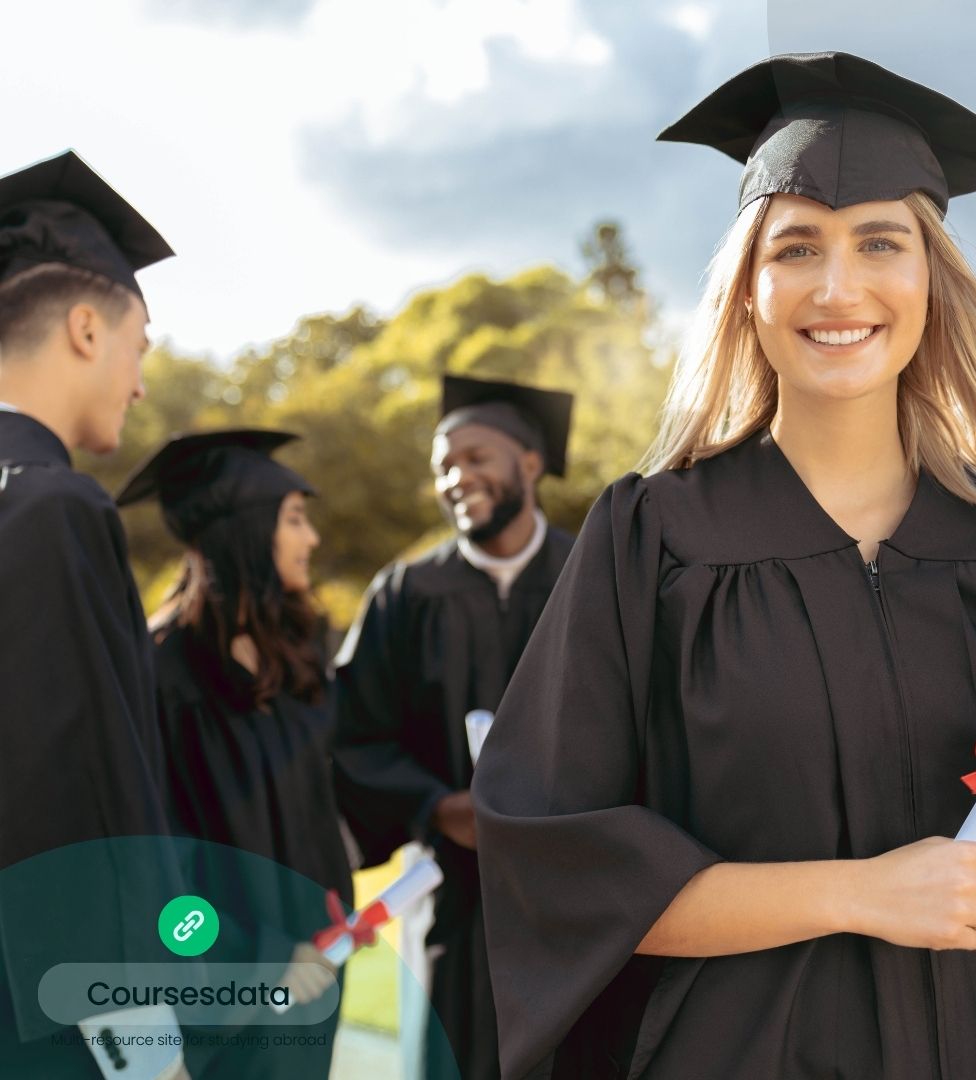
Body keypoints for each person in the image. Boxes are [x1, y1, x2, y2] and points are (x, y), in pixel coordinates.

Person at [473, 52, 976, 1080]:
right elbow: (555, 860)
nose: (837, 287)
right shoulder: (656, 540)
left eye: (881, 242)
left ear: (933, 276)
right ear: (747, 292)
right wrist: (856, 892)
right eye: (796, 248)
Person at [0, 150, 192, 1079]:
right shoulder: (51, 507)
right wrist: (143, 1045)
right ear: (85, 326)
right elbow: (83, 795)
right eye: (139, 345)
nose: (141, 381)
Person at [333, 374, 575, 1080]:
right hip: (454, 888)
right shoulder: (406, 595)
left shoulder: (594, 575)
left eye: (476, 457)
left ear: (529, 463)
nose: (456, 476)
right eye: (444, 464)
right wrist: (438, 805)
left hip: (576, 878)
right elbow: (354, 734)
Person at [115, 429, 355, 1080]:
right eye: (295, 520)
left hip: (317, 977)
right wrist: (266, 958)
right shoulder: (159, 676)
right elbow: (153, 867)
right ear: (246, 529)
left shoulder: (296, 658)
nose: (310, 539)